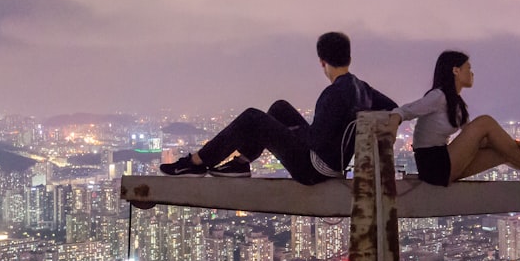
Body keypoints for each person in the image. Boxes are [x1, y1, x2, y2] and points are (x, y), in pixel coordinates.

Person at [160, 32, 396, 185]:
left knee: (253, 117)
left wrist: (289, 132)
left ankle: (197, 162)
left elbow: (317, 141)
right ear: (349, 59)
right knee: (279, 108)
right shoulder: (361, 88)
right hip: (336, 162)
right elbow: (393, 108)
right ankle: (241, 163)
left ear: (322, 62)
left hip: (315, 170)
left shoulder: (332, 94)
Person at [389, 50, 520, 186]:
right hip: (435, 164)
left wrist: (514, 144)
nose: (472, 73)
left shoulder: (457, 105)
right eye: (468, 69)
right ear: (455, 70)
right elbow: (407, 110)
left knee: (504, 152)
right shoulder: (438, 96)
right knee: (485, 121)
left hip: (446, 164)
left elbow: (479, 139)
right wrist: (393, 121)